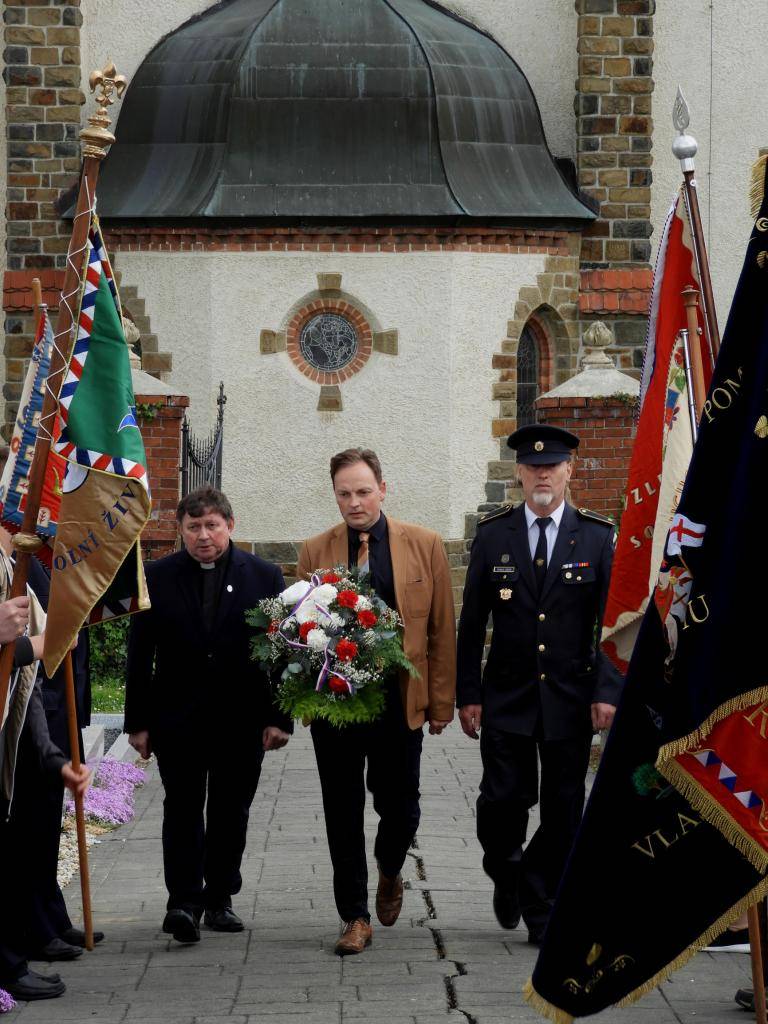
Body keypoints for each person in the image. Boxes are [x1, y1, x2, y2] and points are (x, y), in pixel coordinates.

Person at [456, 424, 622, 945]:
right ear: (519, 475)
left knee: (564, 808)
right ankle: (508, 872)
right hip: (507, 695)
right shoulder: (493, 535)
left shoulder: (596, 537)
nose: (542, 474)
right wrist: (469, 695)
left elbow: (614, 624)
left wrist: (607, 691)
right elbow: (471, 625)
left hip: (571, 698)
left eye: (552, 466)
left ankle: (540, 902)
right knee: (502, 802)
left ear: (569, 471)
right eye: (532, 466)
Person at [296, 448, 456, 956]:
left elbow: (441, 631)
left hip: (398, 702)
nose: (355, 502)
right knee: (341, 811)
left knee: (400, 808)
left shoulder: (425, 545)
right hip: (337, 704)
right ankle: (355, 916)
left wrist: (441, 704)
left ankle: (390, 869)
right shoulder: (314, 550)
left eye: (363, 491)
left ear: (383, 489)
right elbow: (297, 632)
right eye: (344, 493)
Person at [124, 486, 292, 944]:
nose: (203, 536)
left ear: (230, 526)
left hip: (242, 719)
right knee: (181, 808)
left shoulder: (264, 576)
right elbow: (140, 654)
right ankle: (182, 901)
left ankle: (219, 898)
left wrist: (280, 718)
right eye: (193, 527)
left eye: (212, 526)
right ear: (180, 529)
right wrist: (137, 722)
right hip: (178, 718)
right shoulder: (156, 576)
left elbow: (280, 654)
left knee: (230, 810)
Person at [0, 556, 90, 1002]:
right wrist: (31, 646)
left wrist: (56, 762)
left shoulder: (14, 568)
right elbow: (20, 654)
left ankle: (9, 961)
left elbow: (24, 686)